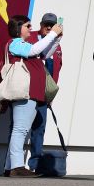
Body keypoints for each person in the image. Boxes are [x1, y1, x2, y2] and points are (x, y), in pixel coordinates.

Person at [2, 15, 62, 177]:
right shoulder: (15, 43)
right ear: (18, 28)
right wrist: (51, 34)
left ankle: (10, 167)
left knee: (20, 129)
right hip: (24, 92)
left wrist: (55, 39)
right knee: (20, 129)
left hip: (30, 93)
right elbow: (35, 50)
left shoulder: (23, 44)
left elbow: (44, 54)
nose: (30, 28)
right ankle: (17, 166)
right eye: (27, 26)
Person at [27, 13, 63, 171]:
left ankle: (34, 165)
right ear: (40, 25)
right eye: (46, 24)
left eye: (52, 25)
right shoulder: (30, 38)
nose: (49, 28)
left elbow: (56, 69)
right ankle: (12, 165)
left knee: (39, 128)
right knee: (19, 127)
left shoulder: (57, 45)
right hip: (27, 91)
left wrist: (51, 93)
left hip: (43, 93)